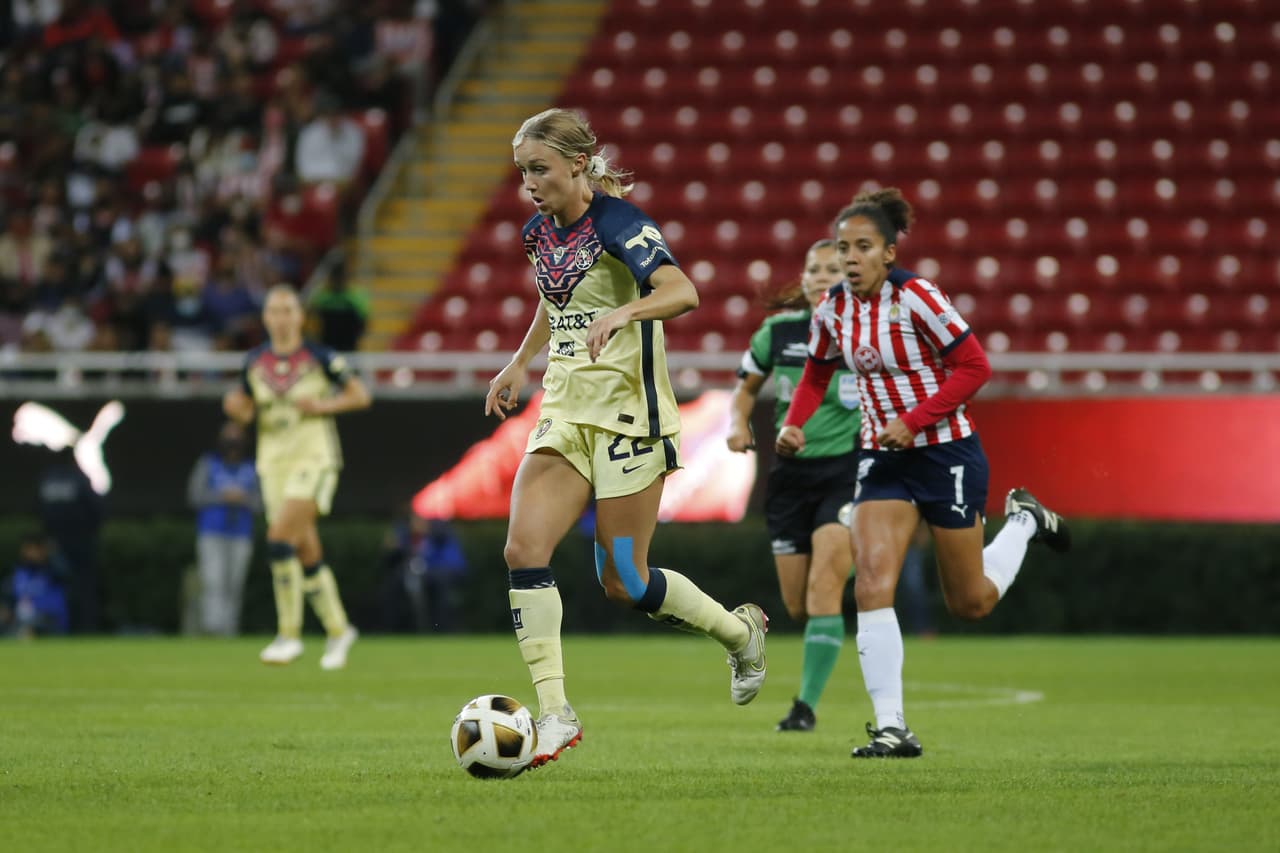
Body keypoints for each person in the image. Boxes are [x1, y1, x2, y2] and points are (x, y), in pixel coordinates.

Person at [484, 108, 769, 770]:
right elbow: (554, 302)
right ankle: (555, 712)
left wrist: (627, 310)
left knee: (626, 581)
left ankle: (739, 631)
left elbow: (682, 289)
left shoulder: (620, 224)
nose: (529, 183)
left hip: (629, 423)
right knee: (522, 548)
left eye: (540, 168)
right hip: (565, 414)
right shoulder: (537, 233)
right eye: (522, 170)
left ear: (578, 165)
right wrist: (520, 360)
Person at [776, 188, 1071, 758]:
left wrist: (913, 421)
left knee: (971, 601)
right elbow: (815, 376)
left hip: (945, 454)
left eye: (863, 247)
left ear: (889, 252)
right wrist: (795, 424)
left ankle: (1026, 523)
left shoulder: (917, 298)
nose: (851, 258)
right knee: (870, 581)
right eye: (844, 248)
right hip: (882, 459)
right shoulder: (833, 308)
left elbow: (974, 366)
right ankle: (892, 726)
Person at [727, 239, 859, 733]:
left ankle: (804, 707)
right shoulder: (777, 332)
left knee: (823, 592)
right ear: (802, 279)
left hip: (845, 473)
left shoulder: (860, 333)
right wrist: (739, 425)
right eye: (813, 268)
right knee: (798, 603)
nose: (821, 275)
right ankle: (854, 571)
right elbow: (744, 390)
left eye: (832, 268)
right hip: (789, 476)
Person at [222, 284, 371, 669]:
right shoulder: (253, 362)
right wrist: (236, 409)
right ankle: (339, 630)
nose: (282, 317)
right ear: (266, 317)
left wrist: (322, 404)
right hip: (272, 463)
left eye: (289, 310)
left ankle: (288, 634)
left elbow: (360, 395)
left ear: (300, 317)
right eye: (275, 310)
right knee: (304, 549)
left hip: (314, 457)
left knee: (278, 539)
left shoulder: (320, 356)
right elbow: (247, 411)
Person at [187, 420, 262, 636]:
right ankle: (213, 628)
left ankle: (230, 629)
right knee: (213, 580)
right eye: (229, 437)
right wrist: (222, 496)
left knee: (234, 583)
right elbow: (194, 496)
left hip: (240, 533)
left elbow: (261, 502)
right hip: (211, 531)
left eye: (237, 437)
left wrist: (242, 498)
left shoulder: (251, 467)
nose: (233, 442)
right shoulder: (208, 463)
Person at [1, 533, 69, 638]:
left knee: (32, 627)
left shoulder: (52, 571)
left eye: (34, 549)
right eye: (28, 549)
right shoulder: (19, 573)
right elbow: (7, 597)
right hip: (21, 619)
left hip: (49, 620)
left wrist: (53, 554)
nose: (30, 553)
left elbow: (65, 575)